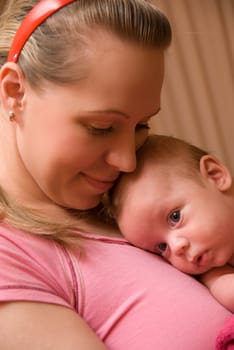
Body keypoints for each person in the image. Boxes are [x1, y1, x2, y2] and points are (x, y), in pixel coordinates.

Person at [0, 1, 231, 349]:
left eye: (141, 125)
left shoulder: (137, 196)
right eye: (101, 127)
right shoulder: (12, 259)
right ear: (16, 92)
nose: (127, 161)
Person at [110, 134, 234, 312]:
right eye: (161, 247)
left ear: (215, 176)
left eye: (175, 217)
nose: (176, 247)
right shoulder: (215, 272)